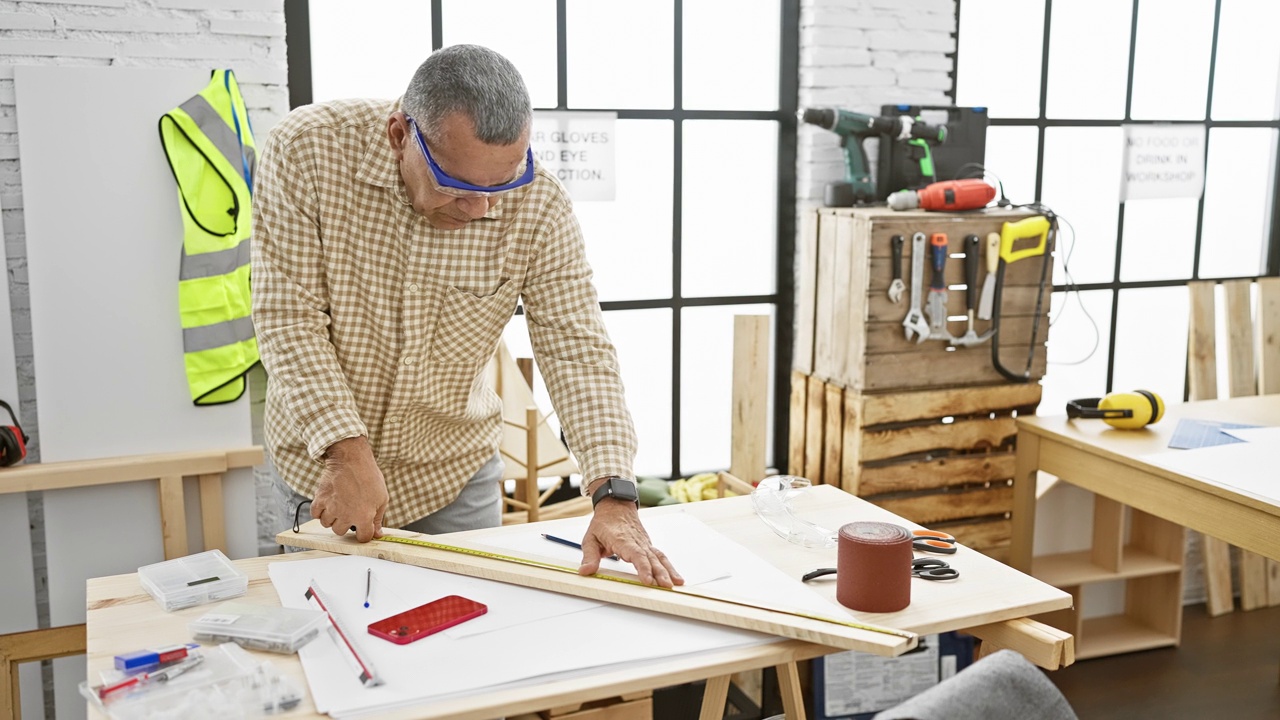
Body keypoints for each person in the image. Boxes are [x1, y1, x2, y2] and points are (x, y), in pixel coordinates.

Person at [251, 44, 681, 588]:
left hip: (452, 474)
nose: (483, 210)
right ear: (400, 135)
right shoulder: (307, 151)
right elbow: (289, 317)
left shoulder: (540, 205)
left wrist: (613, 495)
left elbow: (577, 349)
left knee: (474, 645)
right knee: (335, 645)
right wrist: (347, 452)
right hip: (326, 468)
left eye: (501, 185)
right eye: (458, 188)